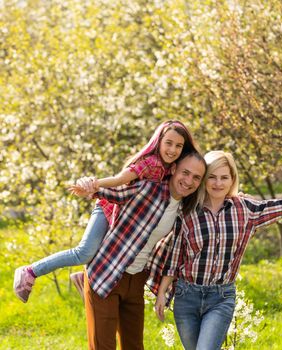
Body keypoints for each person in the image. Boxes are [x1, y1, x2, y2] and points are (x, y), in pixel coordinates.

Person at [153, 150, 282, 350]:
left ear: (232, 179)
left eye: (224, 177)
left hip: (220, 298)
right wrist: (161, 294)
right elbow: (175, 257)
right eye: (212, 177)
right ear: (203, 179)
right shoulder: (188, 211)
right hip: (187, 297)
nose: (218, 183)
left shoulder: (245, 208)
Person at [13, 120, 195, 303]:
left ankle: (83, 277)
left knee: (103, 253)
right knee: (84, 252)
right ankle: (30, 271)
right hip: (108, 208)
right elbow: (120, 179)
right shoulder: (152, 163)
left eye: (178, 146)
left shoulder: (171, 168)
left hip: (125, 215)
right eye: (168, 143)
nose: (172, 150)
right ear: (159, 142)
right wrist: (95, 184)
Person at [76, 150, 206, 350]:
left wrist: (234, 196)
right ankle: (84, 281)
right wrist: (91, 184)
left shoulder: (185, 210)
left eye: (196, 177)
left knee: (134, 346)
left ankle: (80, 281)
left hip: (136, 279)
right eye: (185, 173)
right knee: (103, 346)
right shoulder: (148, 188)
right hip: (106, 271)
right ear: (173, 169)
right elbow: (115, 191)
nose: (189, 181)